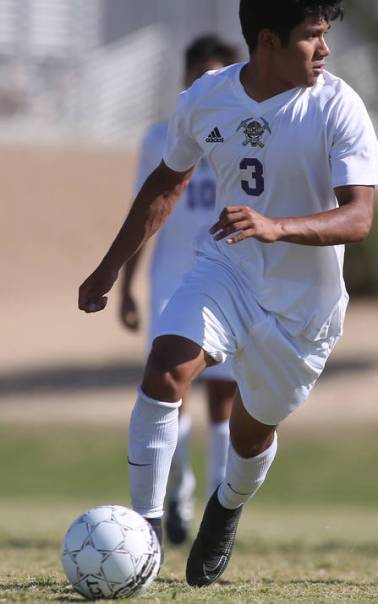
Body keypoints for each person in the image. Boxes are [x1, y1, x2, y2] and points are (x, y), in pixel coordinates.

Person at [78, 0, 378, 587]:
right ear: (267, 41)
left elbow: (359, 216)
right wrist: (109, 269)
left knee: (249, 433)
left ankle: (227, 506)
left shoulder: (338, 106)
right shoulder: (205, 98)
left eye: (326, 34)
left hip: (305, 306)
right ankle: (141, 536)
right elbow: (167, 184)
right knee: (165, 369)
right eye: (311, 36)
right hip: (229, 270)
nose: (324, 49)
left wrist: (278, 226)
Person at [118, 34, 240, 546]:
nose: (206, 84)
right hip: (171, 280)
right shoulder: (160, 138)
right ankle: (179, 490)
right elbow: (145, 212)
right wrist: (126, 287)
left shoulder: (246, 134)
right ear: (185, 79)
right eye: (199, 75)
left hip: (229, 277)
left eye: (217, 75)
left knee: (226, 394)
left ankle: (218, 491)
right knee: (172, 385)